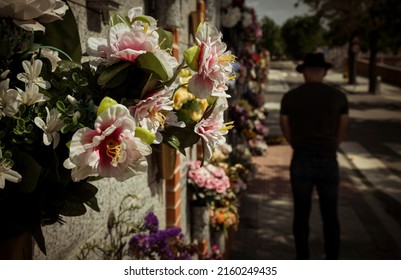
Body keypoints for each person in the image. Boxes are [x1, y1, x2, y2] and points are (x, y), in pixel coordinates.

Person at [280, 52, 349, 259]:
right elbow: (342, 128)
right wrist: (332, 145)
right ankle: (332, 260)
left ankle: (303, 259)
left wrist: (296, 143)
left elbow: (285, 126)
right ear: (325, 72)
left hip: (301, 158)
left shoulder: (291, 97)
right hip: (328, 159)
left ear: (305, 72)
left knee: (301, 215)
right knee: (330, 215)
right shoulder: (339, 97)